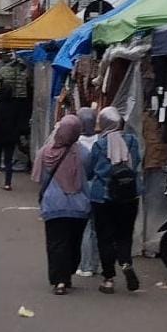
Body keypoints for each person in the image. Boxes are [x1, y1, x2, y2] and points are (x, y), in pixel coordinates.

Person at [86, 106, 143, 295]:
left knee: (105, 238)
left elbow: (90, 170)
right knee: (124, 234)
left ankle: (108, 279)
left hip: (103, 197)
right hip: (129, 196)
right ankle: (126, 262)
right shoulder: (132, 141)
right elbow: (137, 163)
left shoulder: (99, 145)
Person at [33, 115, 91, 295]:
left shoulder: (44, 152)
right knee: (74, 242)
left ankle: (59, 280)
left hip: (53, 205)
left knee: (56, 243)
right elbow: (88, 173)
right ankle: (68, 273)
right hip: (78, 206)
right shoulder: (82, 152)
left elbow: (40, 179)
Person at [75, 107, 101, 278]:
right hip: (99, 188)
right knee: (97, 228)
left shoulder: (75, 143)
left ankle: (85, 265)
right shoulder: (101, 141)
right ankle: (96, 265)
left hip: (81, 188)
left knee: (84, 229)